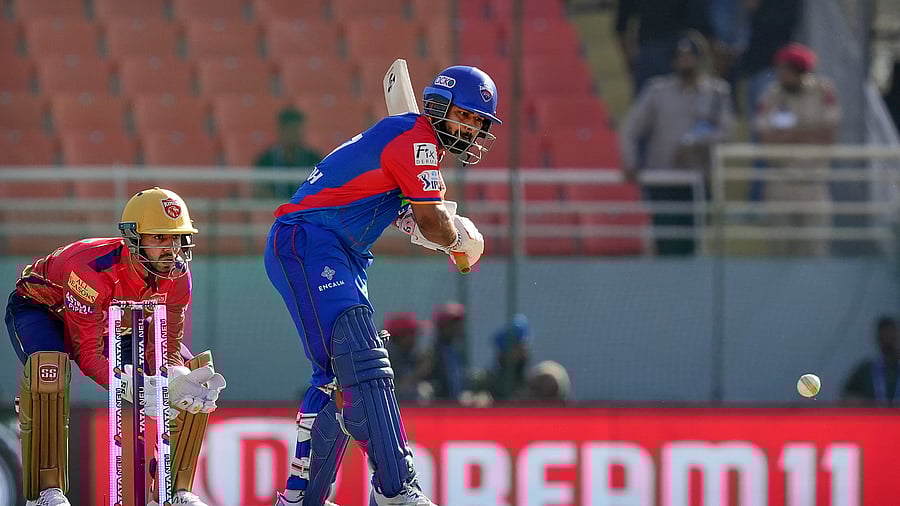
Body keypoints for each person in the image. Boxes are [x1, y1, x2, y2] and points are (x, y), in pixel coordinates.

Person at [265, 65, 499, 506]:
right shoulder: (415, 139)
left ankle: (301, 499)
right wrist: (457, 238)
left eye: (478, 122)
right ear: (439, 106)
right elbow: (431, 221)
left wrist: (423, 222)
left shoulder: (413, 142)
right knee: (362, 359)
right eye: (464, 116)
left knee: (338, 377)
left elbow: (399, 209)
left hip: (338, 251)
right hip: (311, 239)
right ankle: (395, 488)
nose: (470, 129)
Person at [4, 187, 227, 506]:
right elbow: (88, 354)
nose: (171, 249)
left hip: (112, 323)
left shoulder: (178, 274)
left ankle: (172, 492)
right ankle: (45, 493)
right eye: (159, 238)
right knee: (48, 372)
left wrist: (171, 376)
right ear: (133, 239)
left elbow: (166, 344)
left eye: (176, 238)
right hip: (43, 312)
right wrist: (138, 388)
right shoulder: (91, 269)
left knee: (193, 379)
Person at [619, 33, 734, 255]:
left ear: (700, 59)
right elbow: (630, 129)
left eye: (690, 56)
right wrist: (630, 162)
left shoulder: (716, 93)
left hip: (697, 177)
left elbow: (726, 132)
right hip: (663, 178)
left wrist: (692, 142)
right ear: (673, 61)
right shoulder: (657, 91)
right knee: (666, 240)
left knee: (693, 242)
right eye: (681, 56)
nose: (686, 61)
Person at [754, 43, 840, 257]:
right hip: (780, 182)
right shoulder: (771, 95)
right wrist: (808, 134)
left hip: (814, 185)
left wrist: (790, 136)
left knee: (814, 252)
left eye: (785, 70)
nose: (780, 75)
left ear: (800, 71)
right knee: (779, 252)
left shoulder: (823, 92)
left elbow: (827, 138)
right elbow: (767, 140)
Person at [615, 0, 712, 96]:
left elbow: (621, 26)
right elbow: (700, 20)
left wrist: (630, 60)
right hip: (678, 50)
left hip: (651, 51)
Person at [255, 107, 323, 200]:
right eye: (290, 129)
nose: (294, 134)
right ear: (281, 130)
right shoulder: (266, 159)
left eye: (297, 129)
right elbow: (260, 190)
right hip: (273, 207)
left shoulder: (313, 159)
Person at [842, 316, 900, 406]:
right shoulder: (866, 370)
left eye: (891, 336)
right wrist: (864, 404)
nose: (888, 339)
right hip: (874, 414)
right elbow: (846, 397)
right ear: (878, 338)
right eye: (885, 336)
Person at [424, 303, 469, 401]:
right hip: (440, 406)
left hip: (458, 404)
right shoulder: (432, 353)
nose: (459, 327)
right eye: (453, 324)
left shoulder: (457, 351)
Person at [383, 312, 430, 403]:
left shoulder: (406, 353)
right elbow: (401, 387)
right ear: (401, 336)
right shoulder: (389, 357)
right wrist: (420, 371)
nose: (415, 339)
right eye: (412, 334)